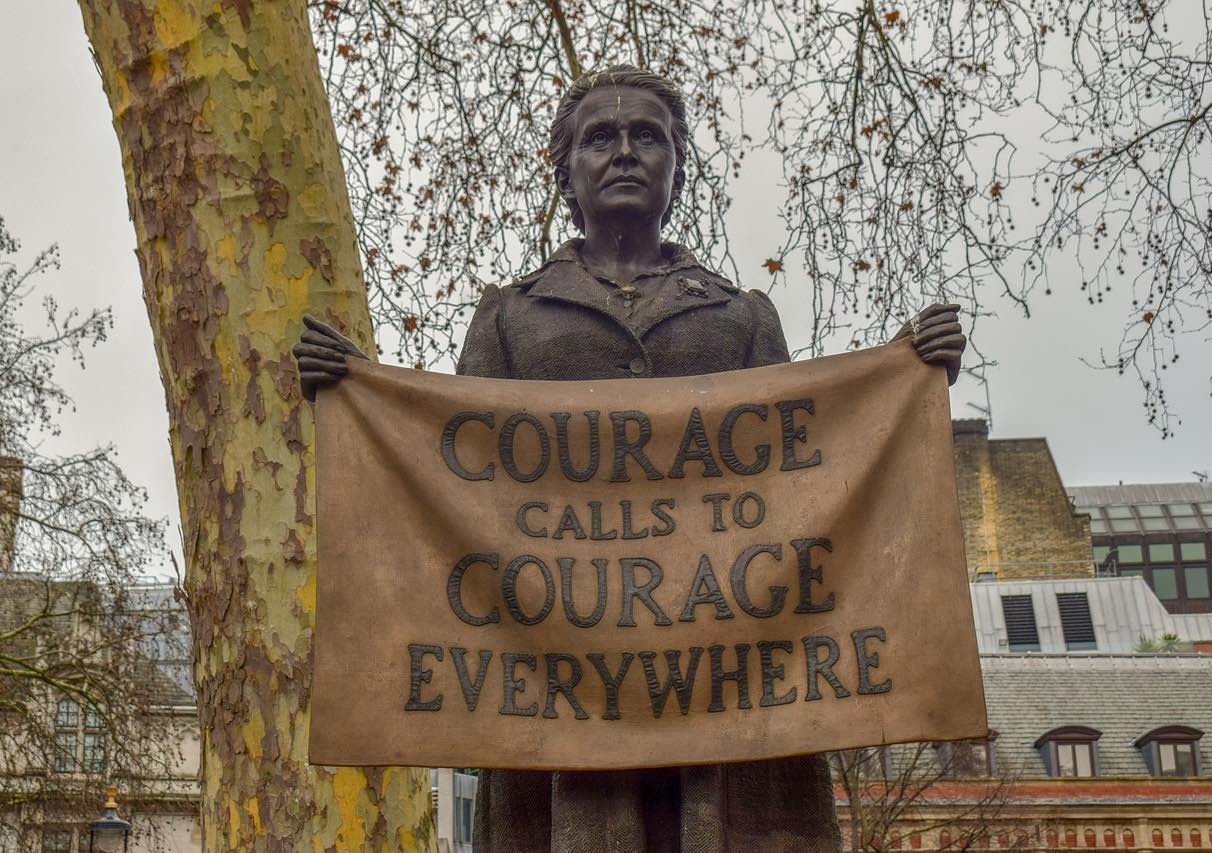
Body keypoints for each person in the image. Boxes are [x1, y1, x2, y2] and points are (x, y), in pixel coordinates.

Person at [296, 65, 965, 853]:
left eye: (646, 136)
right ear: (566, 169)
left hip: (730, 701)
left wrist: (904, 376)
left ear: (676, 164)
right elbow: (449, 477)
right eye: (598, 138)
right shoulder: (510, 318)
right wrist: (356, 392)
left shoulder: (742, 317)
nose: (623, 152)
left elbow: (813, 473)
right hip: (562, 702)